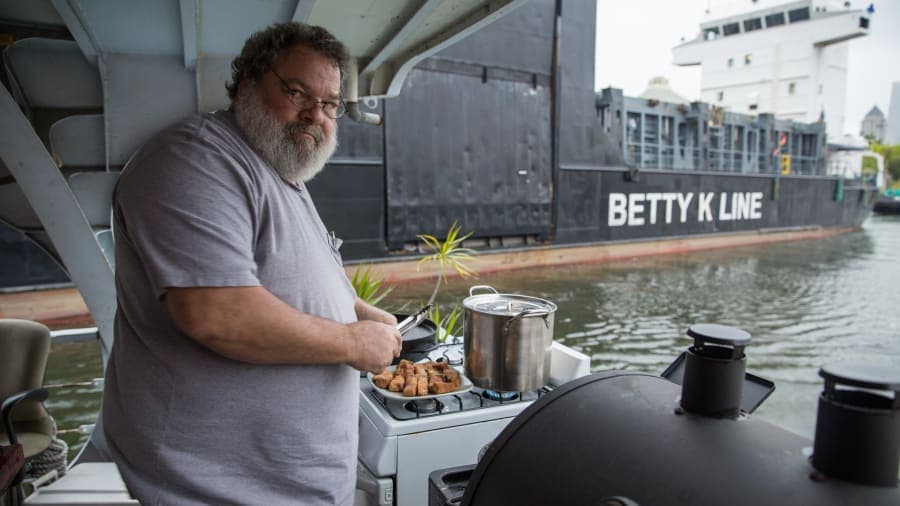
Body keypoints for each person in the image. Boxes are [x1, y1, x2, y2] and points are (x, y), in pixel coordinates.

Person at [99, 22, 402, 505]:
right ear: (247, 84)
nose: (314, 115)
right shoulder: (195, 159)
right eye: (297, 92)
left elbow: (290, 279)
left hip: (292, 485)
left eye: (329, 105)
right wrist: (351, 340)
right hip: (211, 488)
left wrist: (362, 313)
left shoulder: (282, 174)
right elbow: (217, 314)